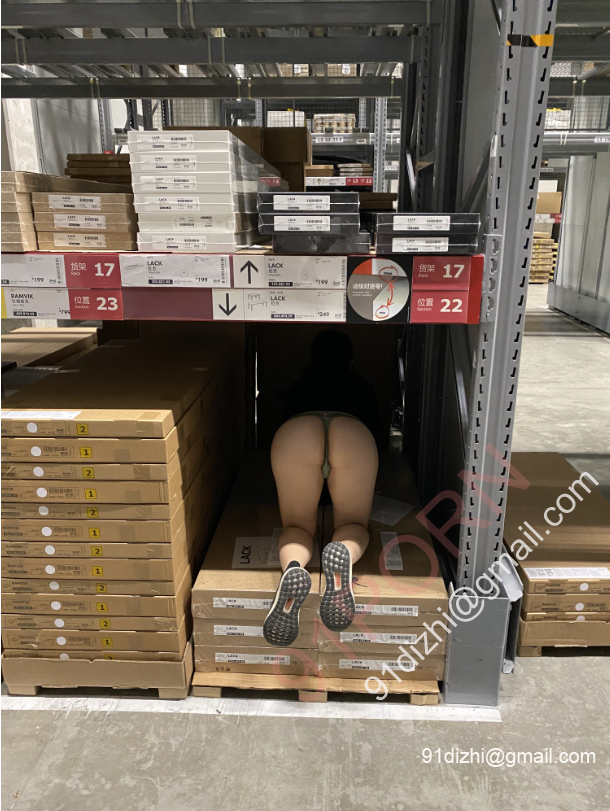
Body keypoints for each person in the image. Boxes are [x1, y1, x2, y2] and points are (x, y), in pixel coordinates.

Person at [263, 329, 379, 647]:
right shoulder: (364, 388)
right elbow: (381, 442)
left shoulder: (299, 387)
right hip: (353, 434)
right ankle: (343, 556)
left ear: (312, 358)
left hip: (297, 433)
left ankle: (293, 569)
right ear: (351, 359)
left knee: (297, 527)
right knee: (353, 524)